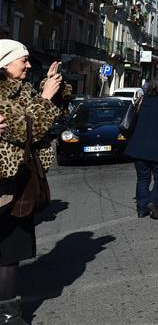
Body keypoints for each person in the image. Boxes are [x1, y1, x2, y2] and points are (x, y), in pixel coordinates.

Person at [0, 41, 64, 324]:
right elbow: (29, 128)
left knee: (10, 253)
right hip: (5, 182)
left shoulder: (22, 90)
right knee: (6, 252)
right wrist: (46, 98)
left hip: (21, 182)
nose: (28, 65)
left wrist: (50, 90)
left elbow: (39, 121)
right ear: (4, 63)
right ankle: (9, 315)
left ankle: (9, 313)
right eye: (22, 60)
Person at [124, 76, 158, 220]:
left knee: (142, 178)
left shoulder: (143, 100)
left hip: (139, 147)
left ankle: (141, 208)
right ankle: (153, 202)